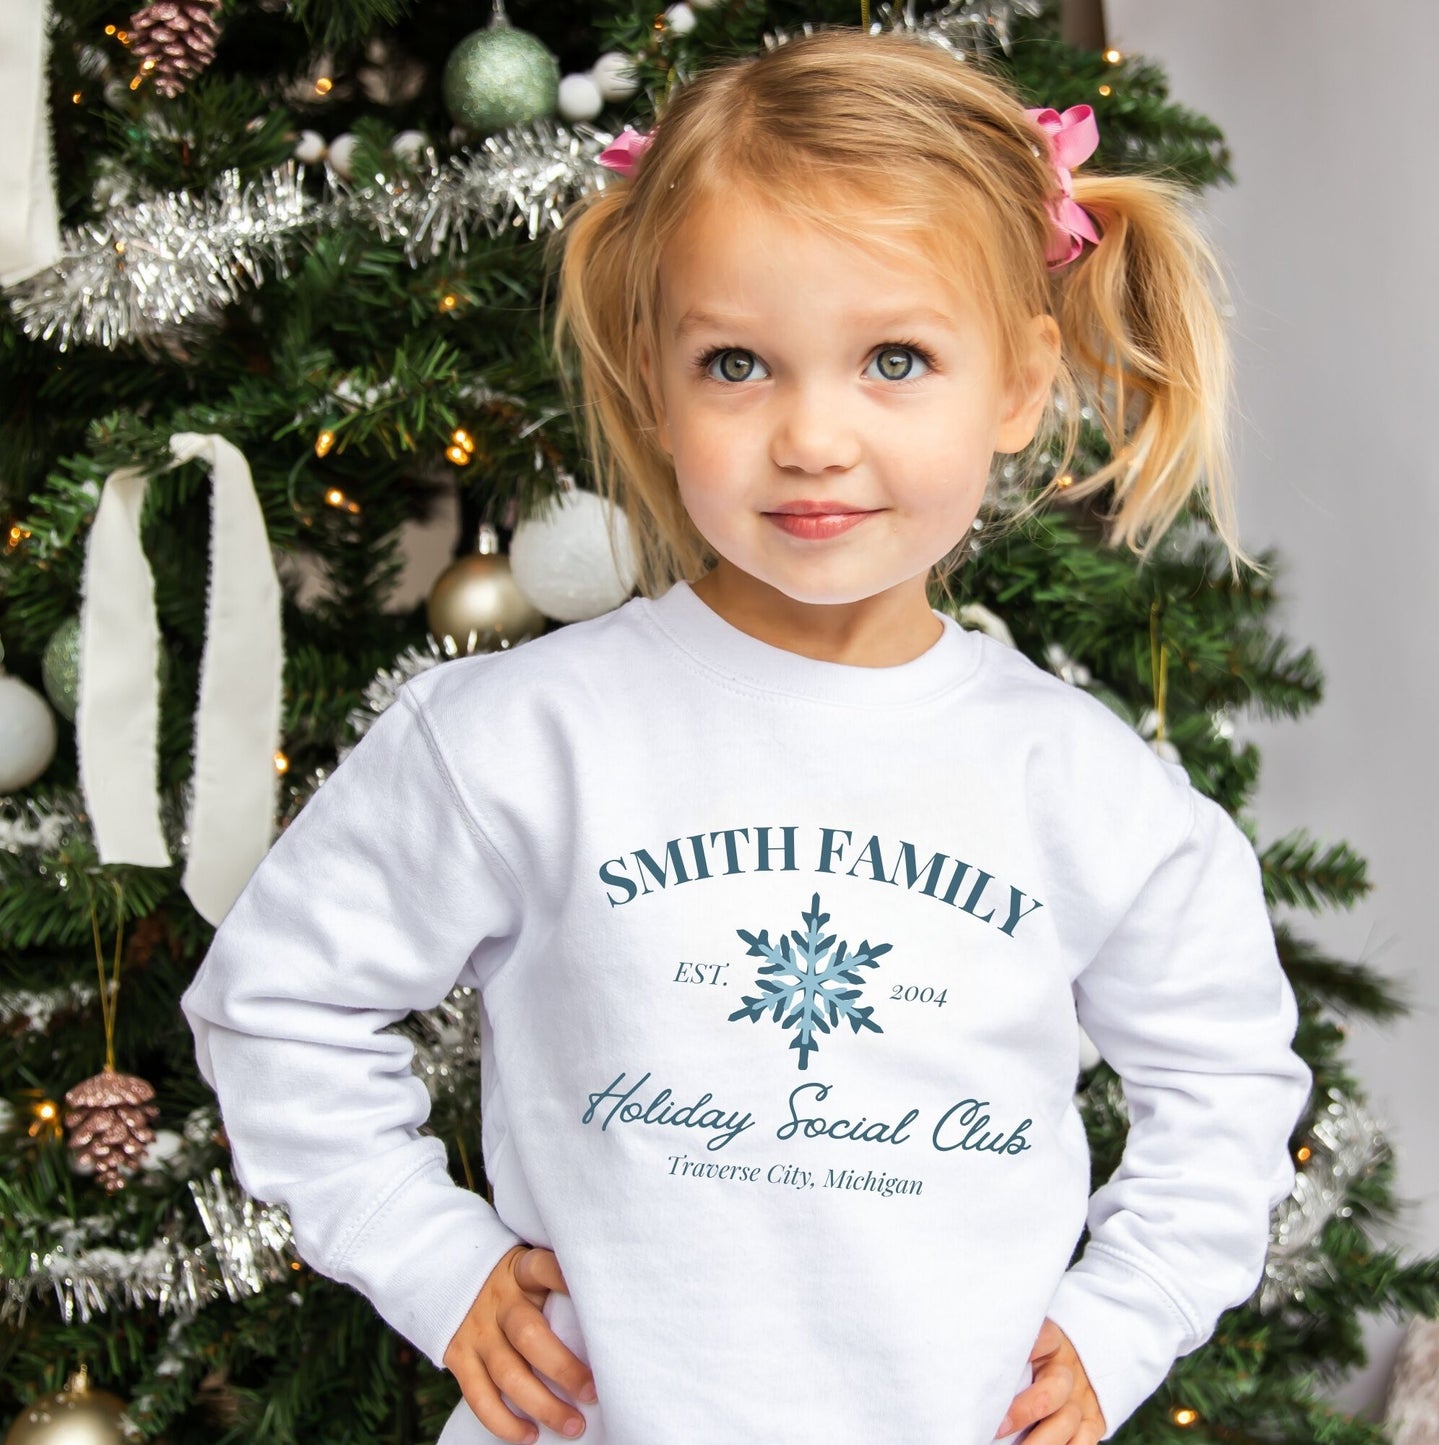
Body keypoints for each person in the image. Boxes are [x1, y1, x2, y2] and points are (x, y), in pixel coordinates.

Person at [180, 25, 1314, 1445]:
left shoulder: (1084, 790)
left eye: (894, 357)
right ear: (655, 379)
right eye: (736, 363)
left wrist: (1119, 1316)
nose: (812, 435)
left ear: (1019, 383)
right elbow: (276, 1002)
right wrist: (436, 1260)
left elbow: (1226, 1091)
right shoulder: (518, 739)